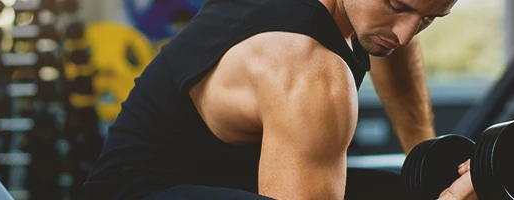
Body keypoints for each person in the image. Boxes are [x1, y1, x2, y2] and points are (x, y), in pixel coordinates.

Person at [85, 0, 477, 199]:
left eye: (429, 18)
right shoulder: (310, 71)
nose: (407, 33)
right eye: (397, 5)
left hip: (217, 179)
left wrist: (424, 160)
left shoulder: (366, 14)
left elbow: (397, 41)